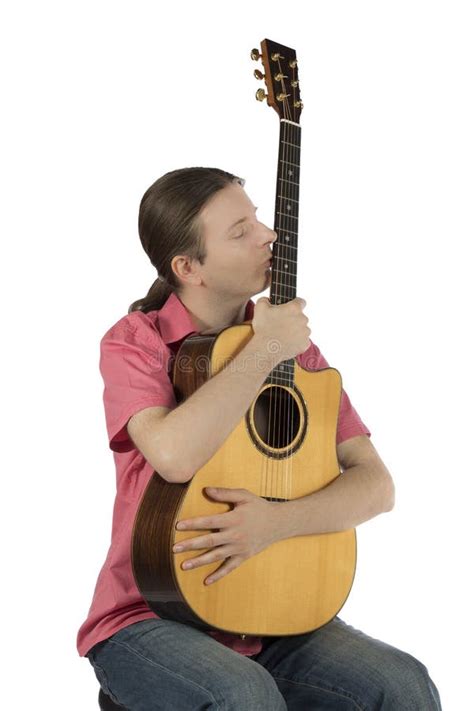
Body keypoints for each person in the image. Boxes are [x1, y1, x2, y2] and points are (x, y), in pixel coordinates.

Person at [77, 167, 442, 709]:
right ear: (188, 267)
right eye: (240, 229)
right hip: (151, 612)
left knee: (404, 684)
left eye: (259, 219)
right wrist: (265, 350)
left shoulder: (297, 353)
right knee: (244, 696)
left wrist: (274, 524)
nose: (268, 235)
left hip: (274, 619)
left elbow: (377, 487)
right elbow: (173, 455)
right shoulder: (137, 341)